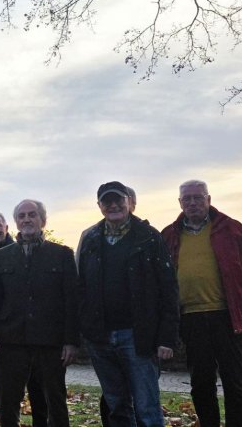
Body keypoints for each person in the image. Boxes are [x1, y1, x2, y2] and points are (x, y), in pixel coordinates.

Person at [77, 181, 179, 427]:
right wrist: (85, 330)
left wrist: (167, 337)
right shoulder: (89, 238)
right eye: (106, 201)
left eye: (118, 200)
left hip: (137, 336)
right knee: (117, 406)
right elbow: (79, 286)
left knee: (147, 406)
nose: (113, 205)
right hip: (100, 337)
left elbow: (168, 288)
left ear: (130, 202)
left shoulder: (149, 237)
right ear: (99, 206)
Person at [161, 180, 242, 427]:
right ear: (180, 202)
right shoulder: (170, 234)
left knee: (234, 381)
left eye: (198, 197)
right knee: (201, 383)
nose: (192, 203)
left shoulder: (232, 229)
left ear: (208, 199)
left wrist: (235, 297)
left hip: (227, 317)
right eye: (187, 199)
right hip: (191, 318)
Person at [0, 200, 79, 427]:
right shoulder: (2, 257)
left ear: (42, 220)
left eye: (32, 215)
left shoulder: (62, 254)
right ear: (15, 222)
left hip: (51, 342)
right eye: (22, 216)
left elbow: (72, 301)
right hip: (12, 340)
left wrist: (71, 341)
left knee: (55, 401)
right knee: (9, 402)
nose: (27, 219)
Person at [0, 210, 49, 426]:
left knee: (38, 388)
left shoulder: (20, 252)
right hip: (0, 334)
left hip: (30, 331)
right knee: (1, 389)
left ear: (7, 227)